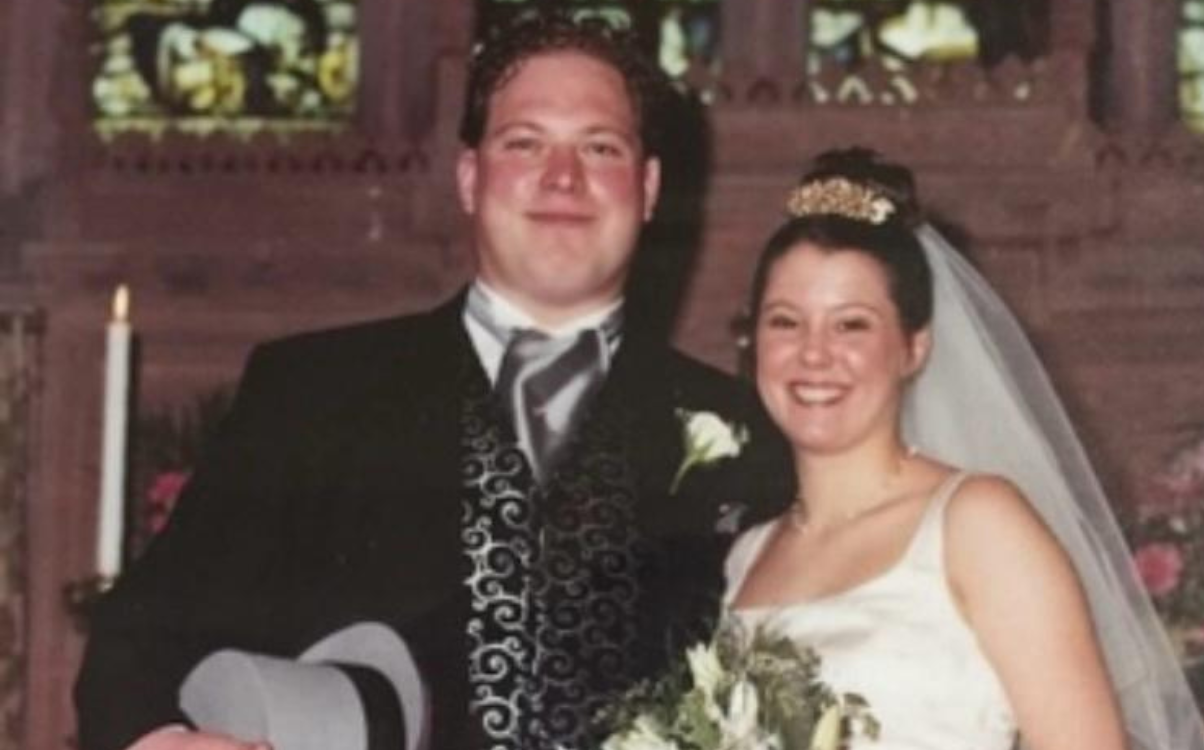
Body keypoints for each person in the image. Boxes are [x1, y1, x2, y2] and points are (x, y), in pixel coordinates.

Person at [75, 15, 789, 750]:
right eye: (525, 143)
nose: (562, 177)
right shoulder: (312, 392)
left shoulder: (747, 433)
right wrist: (164, 740)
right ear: (470, 177)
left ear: (646, 188)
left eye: (599, 147)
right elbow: (144, 633)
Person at [723, 149, 1204, 750]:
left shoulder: (977, 523)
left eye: (851, 324)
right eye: (785, 322)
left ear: (914, 347)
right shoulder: (748, 555)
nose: (814, 353)